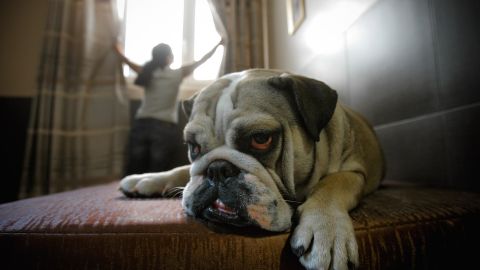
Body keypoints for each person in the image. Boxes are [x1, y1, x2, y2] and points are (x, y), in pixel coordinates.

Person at [114, 40, 223, 175]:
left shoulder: (147, 72)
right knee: (158, 166)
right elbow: (201, 61)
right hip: (164, 125)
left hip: (142, 122)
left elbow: (126, 61)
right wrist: (217, 45)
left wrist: (116, 49)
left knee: (135, 163)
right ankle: (151, 192)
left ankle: (128, 188)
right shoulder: (176, 74)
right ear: (168, 58)